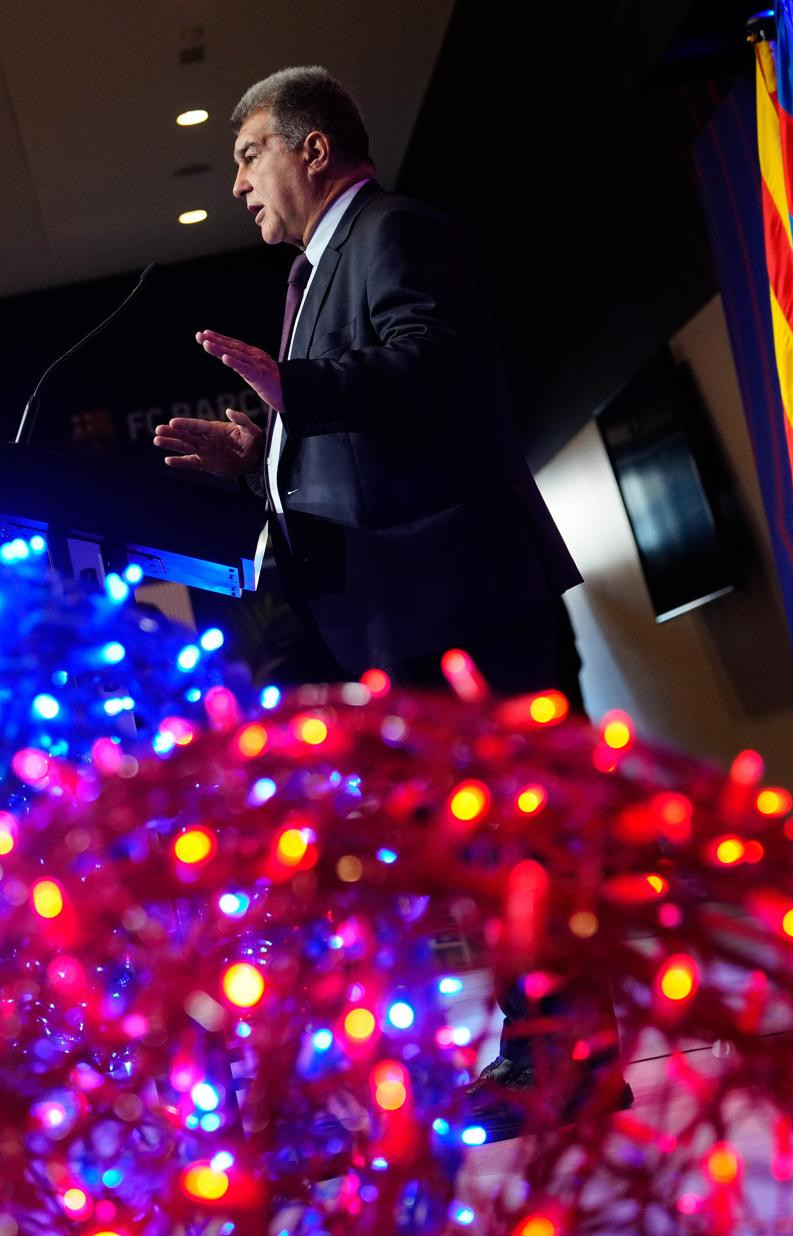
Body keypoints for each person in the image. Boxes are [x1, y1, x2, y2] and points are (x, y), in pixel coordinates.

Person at [155, 65, 616, 1138]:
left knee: (517, 836)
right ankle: (538, 1051)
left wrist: (294, 392)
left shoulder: (396, 231)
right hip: (402, 609)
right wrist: (262, 447)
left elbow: (427, 367)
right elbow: (369, 431)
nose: (238, 185)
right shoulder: (324, 267)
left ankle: (564, 1062)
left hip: (462, 599)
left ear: (313, 149)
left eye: (248, 155)